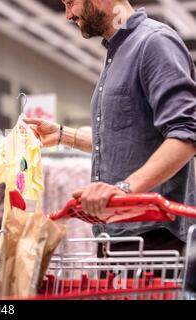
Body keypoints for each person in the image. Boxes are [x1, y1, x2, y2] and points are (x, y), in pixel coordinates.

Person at [25, 0, 196, 255]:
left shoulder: (154, 42)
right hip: (116, 236)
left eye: (70, 3)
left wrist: (123, 190)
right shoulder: (118, 53)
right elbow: (125, 139)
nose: (68, 15)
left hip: (157, 241)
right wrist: (62, 135)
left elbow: (186, 134)